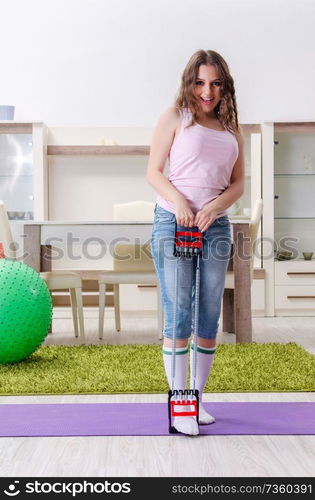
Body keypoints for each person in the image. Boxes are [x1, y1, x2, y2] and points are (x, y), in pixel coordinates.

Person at [146, 49, 244, 436]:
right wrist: (181, 203)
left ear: (225, 86)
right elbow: (153, 173)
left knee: (208, 315)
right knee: (178, 313)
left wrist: (216, 206)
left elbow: (237, 184)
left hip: (215, 227)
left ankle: (197, 401)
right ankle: (180, 405)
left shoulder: (232, 129)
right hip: (174, 221)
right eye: (200, 82)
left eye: (216, 83)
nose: (208, 90)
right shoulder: (174, 118)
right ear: (190, 82)